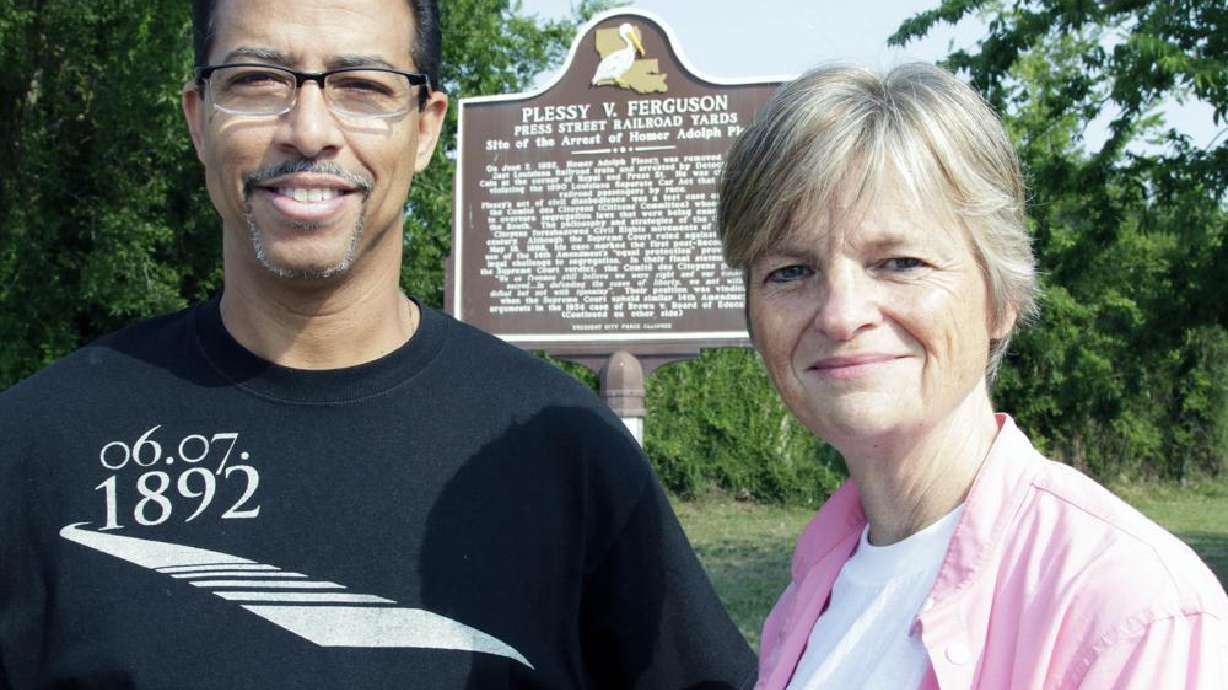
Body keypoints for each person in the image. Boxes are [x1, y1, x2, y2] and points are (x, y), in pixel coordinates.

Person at [0, 1, 757, 688]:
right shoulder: (37, 449)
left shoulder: (564, 450)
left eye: (361, 85)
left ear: (426, 127)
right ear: (199, 117)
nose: (309, 129)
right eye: (260, 80)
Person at [717, 63, 1228, 690]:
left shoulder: (1125, 607)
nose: (841, 315)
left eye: (899, 263)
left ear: (1002, 296)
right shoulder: (815, 589)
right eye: (791, 271)